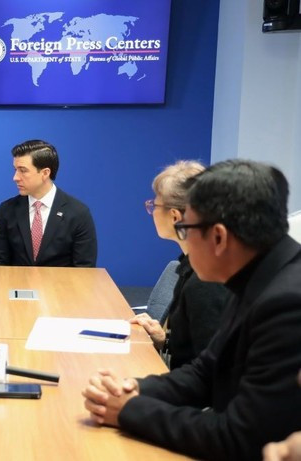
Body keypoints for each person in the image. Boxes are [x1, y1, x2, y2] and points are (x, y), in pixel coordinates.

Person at [82, 159, 301, 460]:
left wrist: (130, 410)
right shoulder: (256, 272)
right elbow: (207, 371)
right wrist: (134, 388)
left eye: (185, 228)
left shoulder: (287, 303)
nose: (182, 238)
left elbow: (243, 437)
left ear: (219, 237)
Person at [130, 161, 230, 369]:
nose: (151, 211)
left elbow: (209, 373)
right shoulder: (194, 262)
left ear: (175, 216)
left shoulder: (206, 281)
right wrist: (164, 340)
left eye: (154, 205)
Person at [0, 139, 97, 267]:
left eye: (23, 170)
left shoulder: (78, 213)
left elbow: (84, 269)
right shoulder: (6, 210)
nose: (15, 177)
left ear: (45, 173)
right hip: (16, 286)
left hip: (61, 286)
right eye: (15, 170)